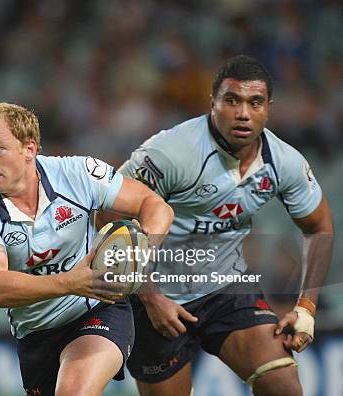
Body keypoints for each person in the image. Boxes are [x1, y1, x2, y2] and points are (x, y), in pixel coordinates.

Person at [98, 55, 334, 396]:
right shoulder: (170, 154)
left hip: (226, 289)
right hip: (157, 296)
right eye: (232, 101)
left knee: (283, 386)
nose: (243, 113)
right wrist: (150, 298)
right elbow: (107, 217)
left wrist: (306, 308)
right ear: (213, 103)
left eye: (255, 103)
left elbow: (320, 227)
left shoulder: (286, 163)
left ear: (269, 108)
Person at [0, 102, 174, 396]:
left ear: (29, 149)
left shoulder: (78, 173)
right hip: (36, 334)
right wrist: (70, 282)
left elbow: (153, 205)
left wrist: (145, 247)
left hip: (97, 309)